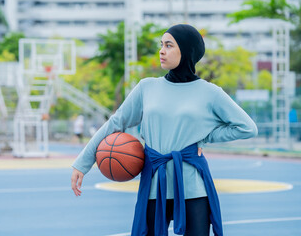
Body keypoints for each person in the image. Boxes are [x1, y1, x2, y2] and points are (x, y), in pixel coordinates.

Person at [71, 24, 258, 236]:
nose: (161, 50)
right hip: (154, 185)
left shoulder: (210, 92)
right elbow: (115, 123)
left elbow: (247, 127)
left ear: (186, 51)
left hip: (193, 187)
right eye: (161, 45)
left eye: (169, 45)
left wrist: (204, 138)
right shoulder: (146, 87)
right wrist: (83, 162)